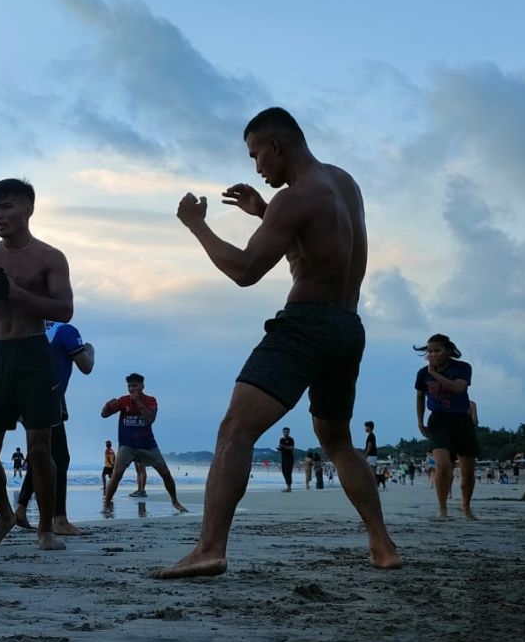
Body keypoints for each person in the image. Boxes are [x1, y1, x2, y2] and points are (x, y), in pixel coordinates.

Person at [156, 107, 400, 578]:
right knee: (338, 441)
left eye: (255, 156)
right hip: (346, 328)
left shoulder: (294, 198)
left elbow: (246, 271)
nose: (256, 168)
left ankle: (209, 548)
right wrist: (263, 212)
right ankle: (383, 546)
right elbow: (319, 245)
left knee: (235, 430)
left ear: (276, 146)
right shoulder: (343, 184)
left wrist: (196, 224)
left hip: (304, 327)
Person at [0, 178, 72, 551]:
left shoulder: (49, 257)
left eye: (6, 207)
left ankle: (46, 529)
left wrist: (14, 293)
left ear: (28, 209)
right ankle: (5, 515)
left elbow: (64, 310)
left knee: (40, 448)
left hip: (34, 353)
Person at [14, 320, 96, 534]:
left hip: (22, 398)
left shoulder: (29, 329)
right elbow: (86, 367)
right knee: (59, 459)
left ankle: (21, 509)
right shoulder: (65, 330)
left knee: (40, 454)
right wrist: (90, 350)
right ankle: (59, 519)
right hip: (49, 396)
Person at [101, 374, 188, 513]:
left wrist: (138, 402)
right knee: (117, 474)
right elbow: (104, 415)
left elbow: (150, 419)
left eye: (134, 386)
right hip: (127, 445)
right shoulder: (123, 401)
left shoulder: (150, 400)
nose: (131, 389)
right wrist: (107, 406)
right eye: (129, 386)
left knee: (165, 473)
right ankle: (107, 503)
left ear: (142, 386)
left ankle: (175, 501)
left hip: (148, 445)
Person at [415, 333, 477, 521]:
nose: (432, 354)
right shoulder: (422, 373)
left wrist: (434, 374)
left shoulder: (462, 368)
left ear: (448, 351)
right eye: (430, 351)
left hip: (461, 420)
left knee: (468, 472)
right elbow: (420, 397)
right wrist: (420, 421)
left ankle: (465, 505)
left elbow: (458, 388)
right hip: (438, 421)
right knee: (442, 466)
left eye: (437, 350)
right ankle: (442, 508)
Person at [278, 427, 295, 492]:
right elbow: (281, 448)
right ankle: (287, 486)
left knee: (288, 472)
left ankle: (289, 488)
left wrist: (284, 446)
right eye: (285, 432)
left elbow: (291, 448)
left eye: (288, 432)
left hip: (290, 458)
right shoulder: (281, 439)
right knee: (284, 472)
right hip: (283, 458)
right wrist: (279, 448)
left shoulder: (291, 439)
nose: (286, 433)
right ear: (283, 432)